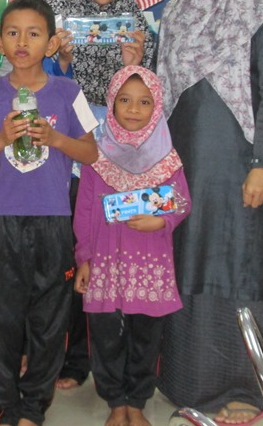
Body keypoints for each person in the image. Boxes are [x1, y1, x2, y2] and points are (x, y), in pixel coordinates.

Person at [155, 0, 263, 424]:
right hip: (183, 164)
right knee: (185, 259)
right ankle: (185, 381)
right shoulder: (174, 13)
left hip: (240, 166)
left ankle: (243, 387)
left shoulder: (260, 9)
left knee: (240, 262)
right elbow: (161, 89)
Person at [0, 0, 98, 426]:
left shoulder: (68, 92)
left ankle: (34, 408)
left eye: (33, 33)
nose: (22, 42)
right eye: (13, 33)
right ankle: (7, 407)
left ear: (51, 42)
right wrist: (2, 139)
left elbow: (92, 153)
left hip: (54, 220)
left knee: (50, 319)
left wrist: (56, 139)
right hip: (3, 220)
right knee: (4, 318)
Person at [55, 0, 158, 390]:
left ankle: (122, 365)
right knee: (77, 258)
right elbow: (54, 94)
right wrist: (62, 61)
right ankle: (74, 358)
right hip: (75, 156)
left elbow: (152, 100)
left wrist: (134, 63)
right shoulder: (65, 27)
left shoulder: (138, 29)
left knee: (119, 256)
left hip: (126, 162)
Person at [73, 65, 191, 426]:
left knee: (146, 336)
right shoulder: (97, 154)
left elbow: (182, 201)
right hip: (105, 261)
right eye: (125, 100)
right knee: (105, 334)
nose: (134, 109)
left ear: (156, 107)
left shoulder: (166, 157)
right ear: (111, 103)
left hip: (149, 261)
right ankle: (115, 400)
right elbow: (85, 209)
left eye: (144, 102)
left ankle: (136, 401)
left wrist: (162, 220)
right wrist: (84, 257)